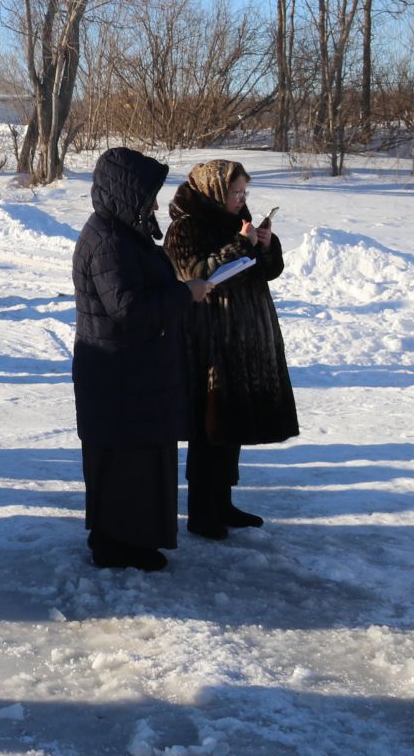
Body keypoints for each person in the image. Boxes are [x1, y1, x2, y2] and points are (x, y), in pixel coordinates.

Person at [71, 146, 210, 573]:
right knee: (123, 466)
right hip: (119, 377)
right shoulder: (109, 241)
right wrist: (186, 294)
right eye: (148, 195)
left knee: (138, 463)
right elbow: (129, 309)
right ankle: (117, 546)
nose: (154, 203)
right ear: (125, 192)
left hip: (133, 376)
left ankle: (132, 541)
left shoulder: (121, 233)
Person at [162, 160, 297, 540]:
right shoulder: (185, 227)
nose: (242, 199)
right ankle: (201, 511)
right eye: (236, 192)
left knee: (233, 424)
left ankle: (223, 503)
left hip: (245, 341)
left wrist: (267, 248)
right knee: (210, 428)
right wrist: (240, 245)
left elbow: (265, 272)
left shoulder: (240, 222)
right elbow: (194, 274)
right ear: (215, 191)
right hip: (210, 343)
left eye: (244, 193)